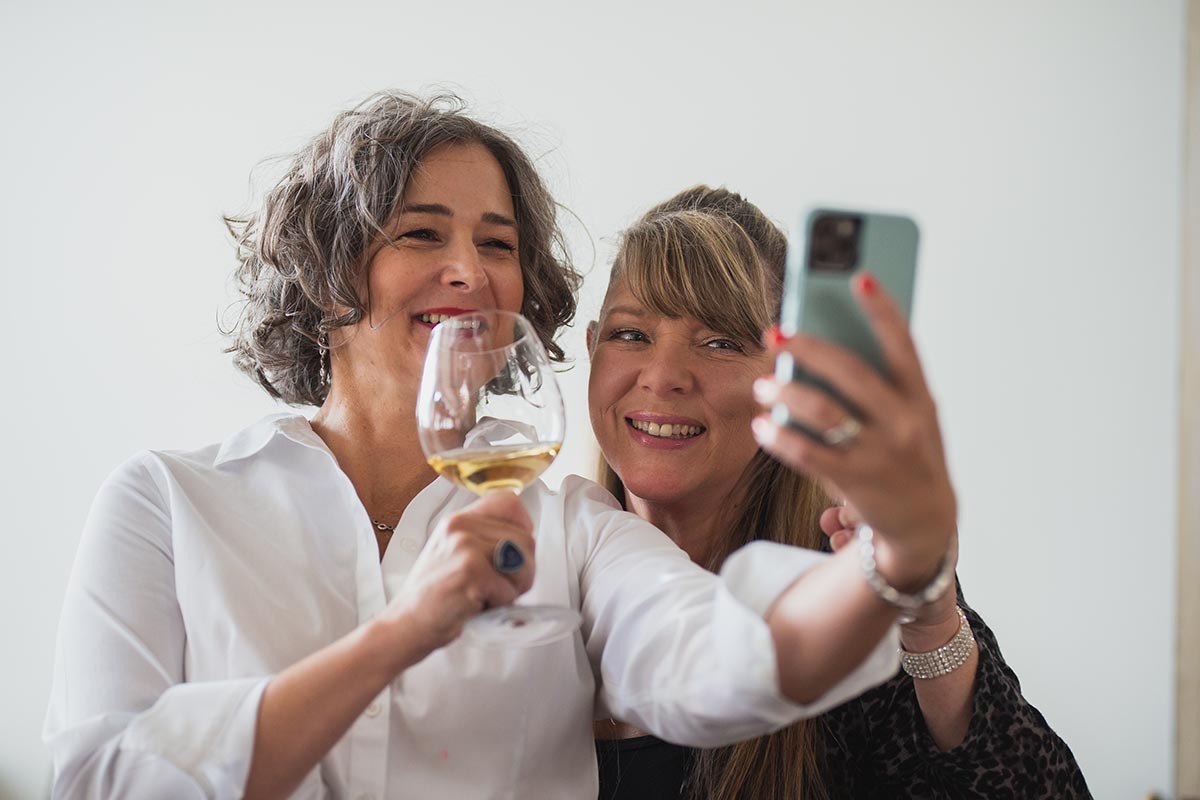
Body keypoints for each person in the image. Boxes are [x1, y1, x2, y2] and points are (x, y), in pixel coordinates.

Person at [43, 94, 946, 800]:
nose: (470, 270)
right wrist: (399, 635)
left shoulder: (575, 533)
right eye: (422, 233)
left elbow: (734, 661)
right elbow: (95, 781)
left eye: (498, 243)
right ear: (327, 276)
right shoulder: (168, 503)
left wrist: (893, 558)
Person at [589, 186, 1092, 799]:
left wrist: (930, 619)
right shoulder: (546, 568)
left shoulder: (857, 587)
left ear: (784, 375)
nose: (662, 376)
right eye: (631, 335)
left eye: (719, 341)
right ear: (592, 346)